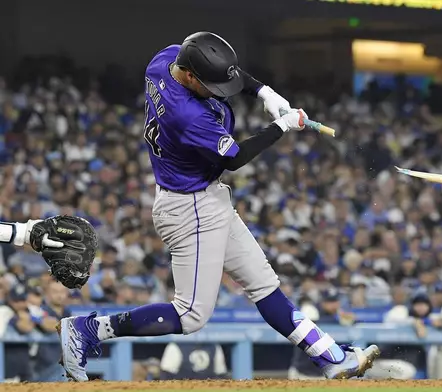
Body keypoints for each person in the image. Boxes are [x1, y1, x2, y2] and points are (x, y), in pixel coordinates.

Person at [58, 31, 379, 382]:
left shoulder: (165, 60)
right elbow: (236, 158)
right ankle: (87, 329)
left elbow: (227, 74)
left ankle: (332, 358)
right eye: (208, 84)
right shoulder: (186, 115)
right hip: (190, 207)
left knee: (264, 284)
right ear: (191, 76)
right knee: (191, 314)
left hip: (205, 198)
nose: (219, 90)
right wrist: (281, 126)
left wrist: (263, 91)